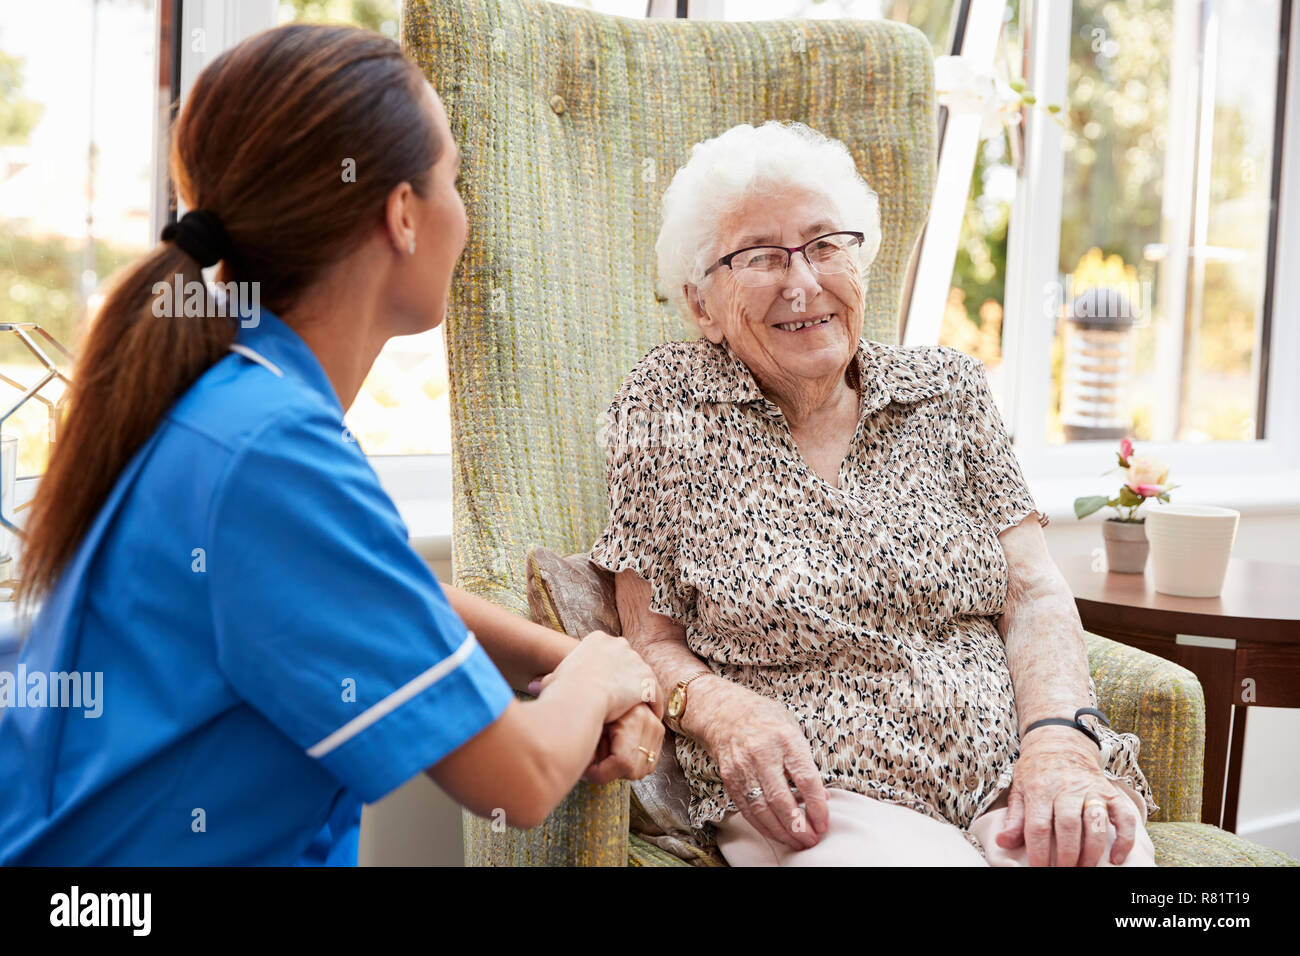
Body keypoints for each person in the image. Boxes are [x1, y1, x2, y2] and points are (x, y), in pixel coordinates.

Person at [0, 23, 663, 866]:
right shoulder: (275, 458)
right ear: (402, 215)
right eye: (455, 179)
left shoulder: (228, 404)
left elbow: (365, 583)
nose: (467, 213)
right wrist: (604, 673)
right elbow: (522, 779)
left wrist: (564, 656)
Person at [590, 120, 1158, 866]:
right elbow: (650, 638)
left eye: (826, 245)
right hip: (824, 792)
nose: (804, 282)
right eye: (761, 257)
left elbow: (1036, 597)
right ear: (702, 305)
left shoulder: (947, 391)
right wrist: (722, 709)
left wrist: (1057, 743)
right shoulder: (667, 406)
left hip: (1010, 773)